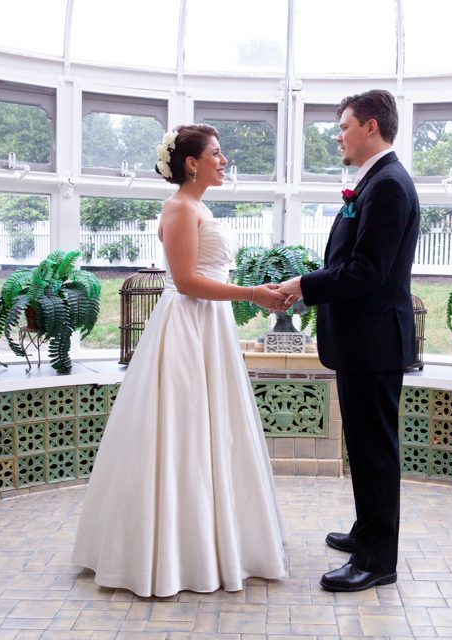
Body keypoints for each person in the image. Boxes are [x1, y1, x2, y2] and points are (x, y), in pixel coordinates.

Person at [72, 124, 287, 597]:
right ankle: (171, 555)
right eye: (216, 153)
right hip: (187, 326)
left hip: (211, 326)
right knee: (183, 431)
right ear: (192, 163)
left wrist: (257, 292)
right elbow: (187, 281)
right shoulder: (179, 207)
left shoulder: (200, 207)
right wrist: (254, 294)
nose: (224, 161)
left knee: (212, 432)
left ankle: (213, 541)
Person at [278, 90, 420, 592]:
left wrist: (304, 286)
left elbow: (367, 271)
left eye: (343, 126)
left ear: (371, 127)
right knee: (362, 446)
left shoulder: (389, 185)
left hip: (374, 342)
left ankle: (378, 560)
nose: (338, 136)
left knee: (375, 450)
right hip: (364, 340)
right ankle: (366, 532)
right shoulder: (375, 181)